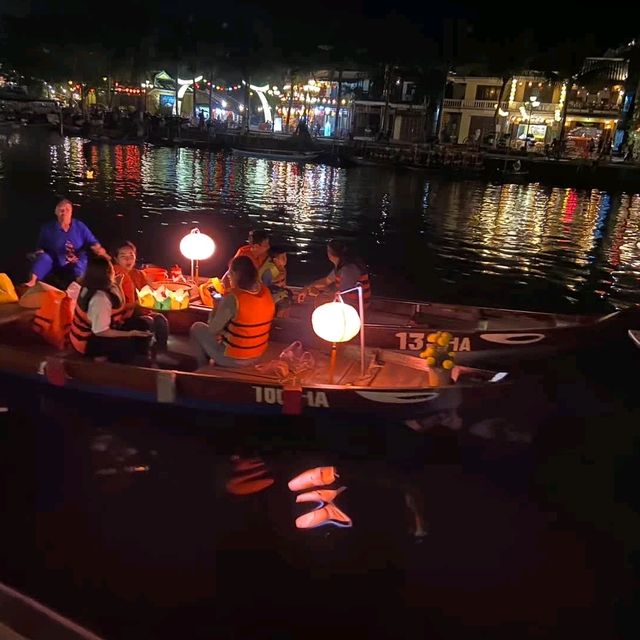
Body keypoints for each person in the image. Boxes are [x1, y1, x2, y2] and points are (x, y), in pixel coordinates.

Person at [190, 256, 275, 368]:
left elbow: (212, 329)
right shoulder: (265, 291)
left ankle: (202, 369)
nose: (229, 277)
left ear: (235, 275)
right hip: (258, 354)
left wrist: (216, 306)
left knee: (197, 327)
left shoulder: (233, 298)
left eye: (230, 274)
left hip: (235, 359)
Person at [69, 255, 152, 363]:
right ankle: (116, 365)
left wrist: (118, 284)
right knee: (127, 344)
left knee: (142, 324)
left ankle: (143, 356)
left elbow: (119, 305)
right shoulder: (99, 298)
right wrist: (129, 334)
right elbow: (101, 331)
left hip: (105, 327)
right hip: (89, 340)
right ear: (108, 272)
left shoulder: (99, 285)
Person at [25, 198, 106, 289]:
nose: (64, 213)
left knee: (82, 259)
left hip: (75, 256)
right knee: (44, 258)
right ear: (56, 212)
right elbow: (40, 246)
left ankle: (80, 286)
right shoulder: (47, 228)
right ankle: (32, 283)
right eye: (61, 210)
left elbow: (93, 241)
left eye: (67, 210)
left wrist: (98, 249)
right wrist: (39, 251)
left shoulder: (80, 226)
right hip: (56, 258)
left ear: (71, 212)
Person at [112, 240, 170, 353]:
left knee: (161, 319)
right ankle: (144, 353)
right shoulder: (113, 276)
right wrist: (136, 304)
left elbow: (152, 291)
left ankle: (161, 351)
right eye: (123, 256)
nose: (128, 260)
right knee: (148, 321)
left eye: (131, 256)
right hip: (123, 315)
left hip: (141, 310)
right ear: (115, 259)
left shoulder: (139, 274)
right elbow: (114, 305)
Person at [297, 239, 371, 307]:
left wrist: (320, 293)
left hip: (356, 306)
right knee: (323, 294)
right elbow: (326, 281)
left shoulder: (348, 269)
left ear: (330, 253)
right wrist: (307, 287)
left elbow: (344, 293)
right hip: (348, 302)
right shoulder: (341, 266)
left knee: (321, 299)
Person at [259, 245, 291, 315]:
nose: (285, 259)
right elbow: (265, 286)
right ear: (275, 260)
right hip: (265, 296)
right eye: (283, 257)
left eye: (285, 256)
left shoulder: (280, 269)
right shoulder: (270, 270)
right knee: (284, 300)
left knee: (288, 294)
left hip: (274, 292)